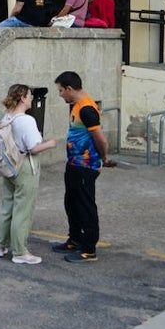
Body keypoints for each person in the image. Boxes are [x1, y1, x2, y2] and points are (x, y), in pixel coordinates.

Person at [0, 85, 58, 265]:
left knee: (7, 206)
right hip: (26, 166)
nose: (31, 99)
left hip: (9, 166)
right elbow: (34, 147)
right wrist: (51, 144)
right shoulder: (26, 120)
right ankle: (20, 251)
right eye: (29, 96)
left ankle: (1, 245)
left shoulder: (7, 117)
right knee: (23, 209)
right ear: (22, 97)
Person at [53, 71, 111, 264]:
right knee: (71, 202)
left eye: (61, 90)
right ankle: (75, 238)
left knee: (86, 205)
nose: (60, 94)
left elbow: (100, 138)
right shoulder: (75, 106)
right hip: (74, 164)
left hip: (86, 165)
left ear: (70, 89)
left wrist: (103, 157)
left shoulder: (87, 109)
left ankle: (88, 249)